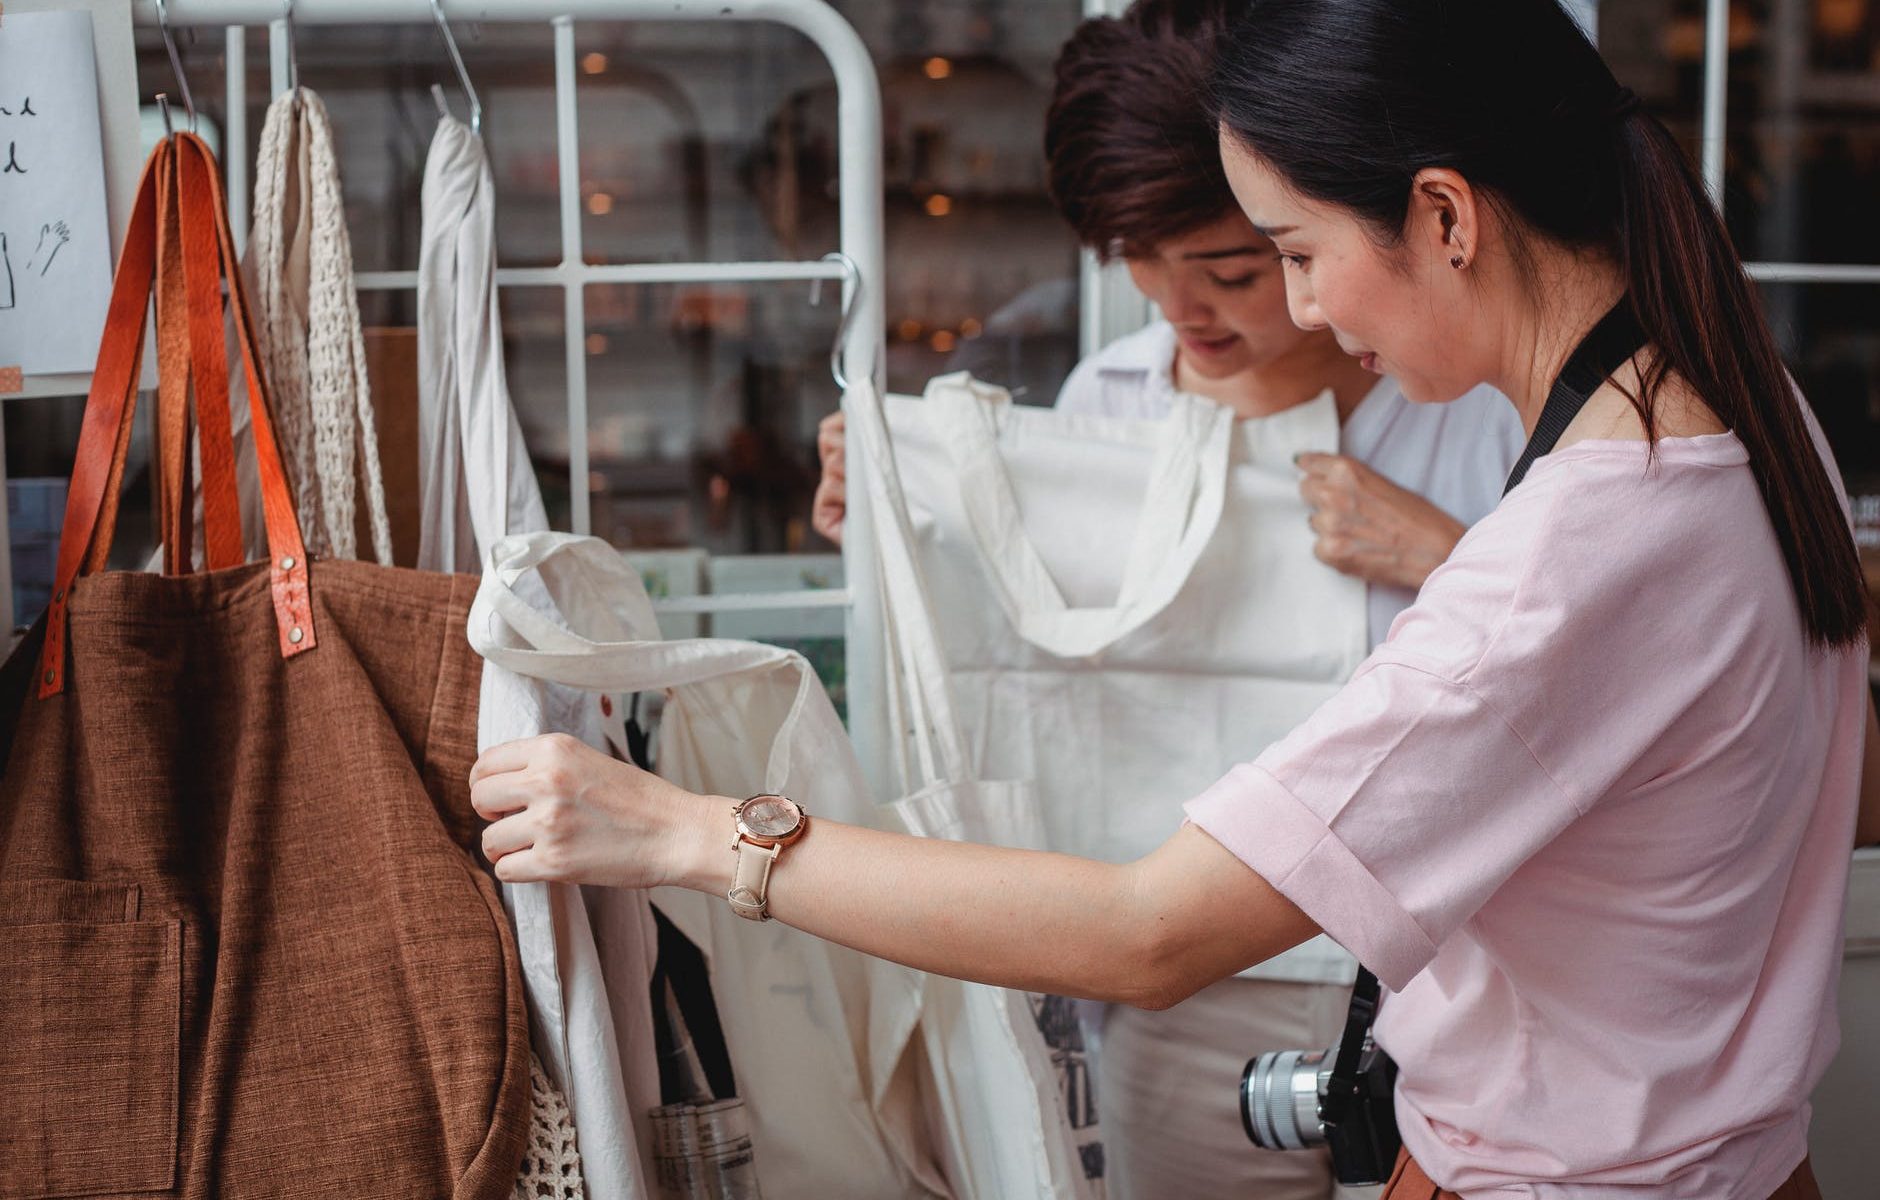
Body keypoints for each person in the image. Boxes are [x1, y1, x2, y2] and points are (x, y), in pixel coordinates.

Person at [471, 0, 1880, 1195]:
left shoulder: (1571, 554)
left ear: (1443, 216)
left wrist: (693, 832)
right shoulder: (1740, 416)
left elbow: (1149, 933)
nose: (1309, 310)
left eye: (1297, 252)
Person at [820, 7, 1525, 1186]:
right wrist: (895, 524)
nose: (1180, 311)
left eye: (1236, 269)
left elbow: (1589, 672)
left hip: (1451, 969)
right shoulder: (1111, 402)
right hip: (1190, 971)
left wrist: (1441, 556)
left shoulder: (1472, 412)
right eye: (1139, 269)